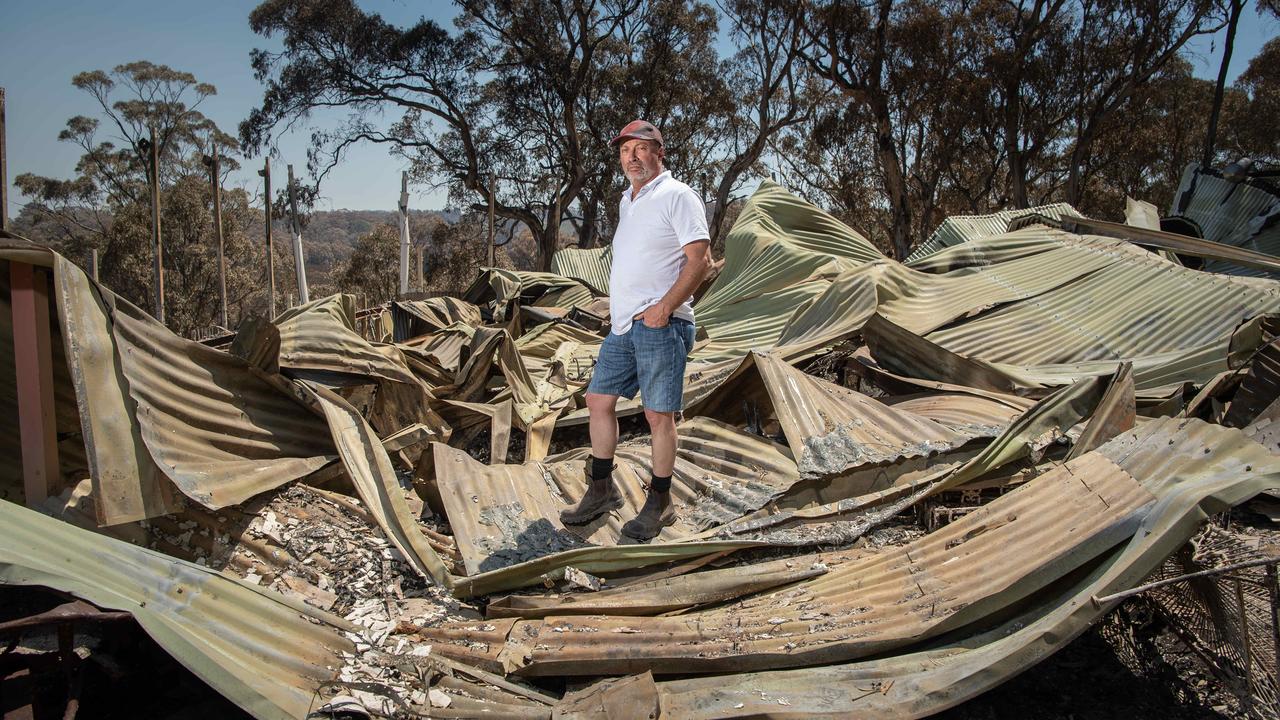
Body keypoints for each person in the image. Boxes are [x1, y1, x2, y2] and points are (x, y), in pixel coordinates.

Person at [559, 119, 712, 540]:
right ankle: (602, 488)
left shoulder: (678, 195)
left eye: (640, 148)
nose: (631, 157)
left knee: (658, 415)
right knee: (597, 399)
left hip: (662, 324)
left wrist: (665, 308)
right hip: (625, 325)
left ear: (658, 152)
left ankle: (661, 502)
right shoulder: (628, 200)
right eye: (625, 150)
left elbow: (699, 259)